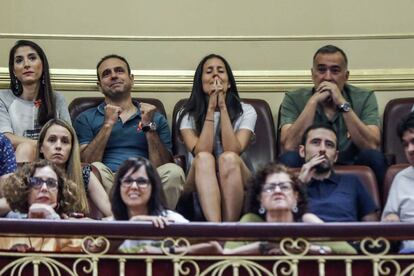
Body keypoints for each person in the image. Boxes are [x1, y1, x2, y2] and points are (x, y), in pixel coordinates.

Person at [73, 54, 184, 210]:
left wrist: (148, 127)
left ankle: (154, 224)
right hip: (109, 180)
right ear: (99, 86)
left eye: (119, 71)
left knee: (174, 171)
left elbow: (163, 165)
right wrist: (107, 124)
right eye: (106, 73)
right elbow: (85, 163)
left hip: (147, 180)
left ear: (131, 79)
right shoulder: (85, 117)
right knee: (95, 167)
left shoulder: (155, 117)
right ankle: (124, 224)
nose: (113, 76)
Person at [279, 45, 387, 185]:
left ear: (346, 76)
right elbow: (289, 145)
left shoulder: (365, 97)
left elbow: (371, 144)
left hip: (352, 162)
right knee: (288, 159)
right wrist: (313, 102)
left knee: (374, 157)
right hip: (309, 162)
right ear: (313, 74)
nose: (328, 77)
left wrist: (342, 103)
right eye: (321, 70)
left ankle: (378, 206)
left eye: (335, 71)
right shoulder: (294, 98)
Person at [177, 54, 257, 222]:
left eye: (221, 71)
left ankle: (228, 230)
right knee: (205, 158)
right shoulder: (185, 113)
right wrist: (211, 108)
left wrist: (222, 106)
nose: (215, 76)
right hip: (199, 172)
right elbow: (202, 150)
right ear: (200, 81)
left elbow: (233, 150)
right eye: (209, 71)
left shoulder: (247, 111)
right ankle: (216, 230)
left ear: (228, 82)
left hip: (238, 171)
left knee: (228, 158)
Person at [0, 40, 71, 162]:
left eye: (32, 58)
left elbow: (69, 136)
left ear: (42, 65)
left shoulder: (57, 99)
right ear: (13, 70)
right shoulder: (4, 98)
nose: (26, 64)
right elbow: (6, 139)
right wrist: (44, 144)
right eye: (19, 60)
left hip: (54, 161)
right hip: (13, 161)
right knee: (26, 148)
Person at [298, 123, 379, 222]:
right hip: (305, 236)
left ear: (336, 156)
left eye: (329, 145)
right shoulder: (289, 185)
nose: (322, 149)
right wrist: (300, 185)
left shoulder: (352, 182)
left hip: (346, 236)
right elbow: (284, 221)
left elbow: (372, 226)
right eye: (316, 142)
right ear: (302, 151)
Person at [0, 160, 84, 252]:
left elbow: (84, 251)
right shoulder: (7, 231)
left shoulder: (72, 230)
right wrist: (10, 256)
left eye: (51, 183)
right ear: (25, 190)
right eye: (36, 182)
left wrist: (55, 221)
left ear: (59, 193)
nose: (44, 188)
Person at [110, 157, 188, 253]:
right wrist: (132, 224)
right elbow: (94, 253)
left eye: (141, 182)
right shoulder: (110, 223)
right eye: (128, 181)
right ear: (119, 187)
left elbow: (210, 245)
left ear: (153, 188)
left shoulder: (169, 220)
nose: (134, 187)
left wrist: (161, 251)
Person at [36, 119, 112, 217]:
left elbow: (114, 215)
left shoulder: (84, 174)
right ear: (41, 147)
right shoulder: (29, 175)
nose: (58, 146)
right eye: (52, 140)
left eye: (65, 141)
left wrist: (91, 223)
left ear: (71, 149)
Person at [382, 112, 414, 252]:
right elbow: (388, 219)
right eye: (405, 144)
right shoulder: (401, 178)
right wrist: (391, 218)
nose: (410, 150)